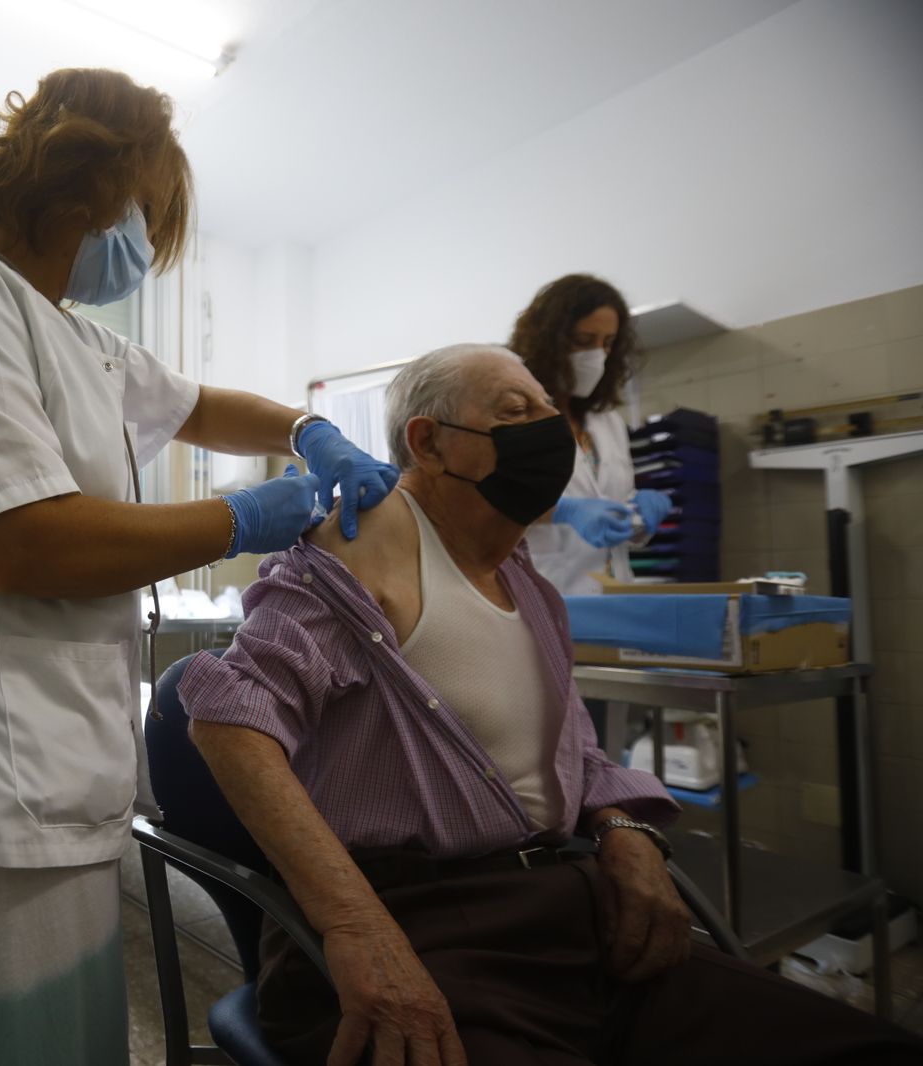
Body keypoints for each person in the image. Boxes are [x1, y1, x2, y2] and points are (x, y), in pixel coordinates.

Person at [0, 68, 396, 1066]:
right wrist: (238, 517)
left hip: (54, 761)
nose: (144, 244)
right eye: (145, 213)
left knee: (62, 1033)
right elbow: (25, 545)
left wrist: (312, 430)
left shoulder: (80, 338)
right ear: (81, 185)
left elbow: (201, 405)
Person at [181, 344, 923, 1066]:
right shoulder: (366, 542)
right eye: (515, 409)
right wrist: (354, 926)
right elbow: (228, 718)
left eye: (548, 410)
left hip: (565, 917)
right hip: (423, 929)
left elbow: (576, 749)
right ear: (428, 442)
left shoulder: (528, 585)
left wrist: (625, 830)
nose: (551, 430)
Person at [511, 274, 672, 596]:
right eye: (584, 341)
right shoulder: (513, 412)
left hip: (613, 592)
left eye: (608, 343)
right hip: (542, 590)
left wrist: (637, 513)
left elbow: (607, 503)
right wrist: (564, 511)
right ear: (547, 340)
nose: (597, 355)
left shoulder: (606, 421)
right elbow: (484, 500)